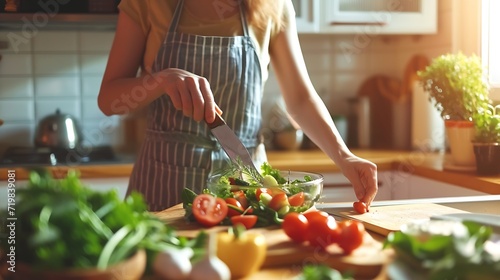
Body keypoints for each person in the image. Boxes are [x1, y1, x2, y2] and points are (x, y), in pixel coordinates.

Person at [98, 0, 378, 211]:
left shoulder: (273, 6)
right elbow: (109, 100)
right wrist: (159, 81)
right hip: (161, 187)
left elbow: (300, 99)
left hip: (244, 189)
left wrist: (345, 157)